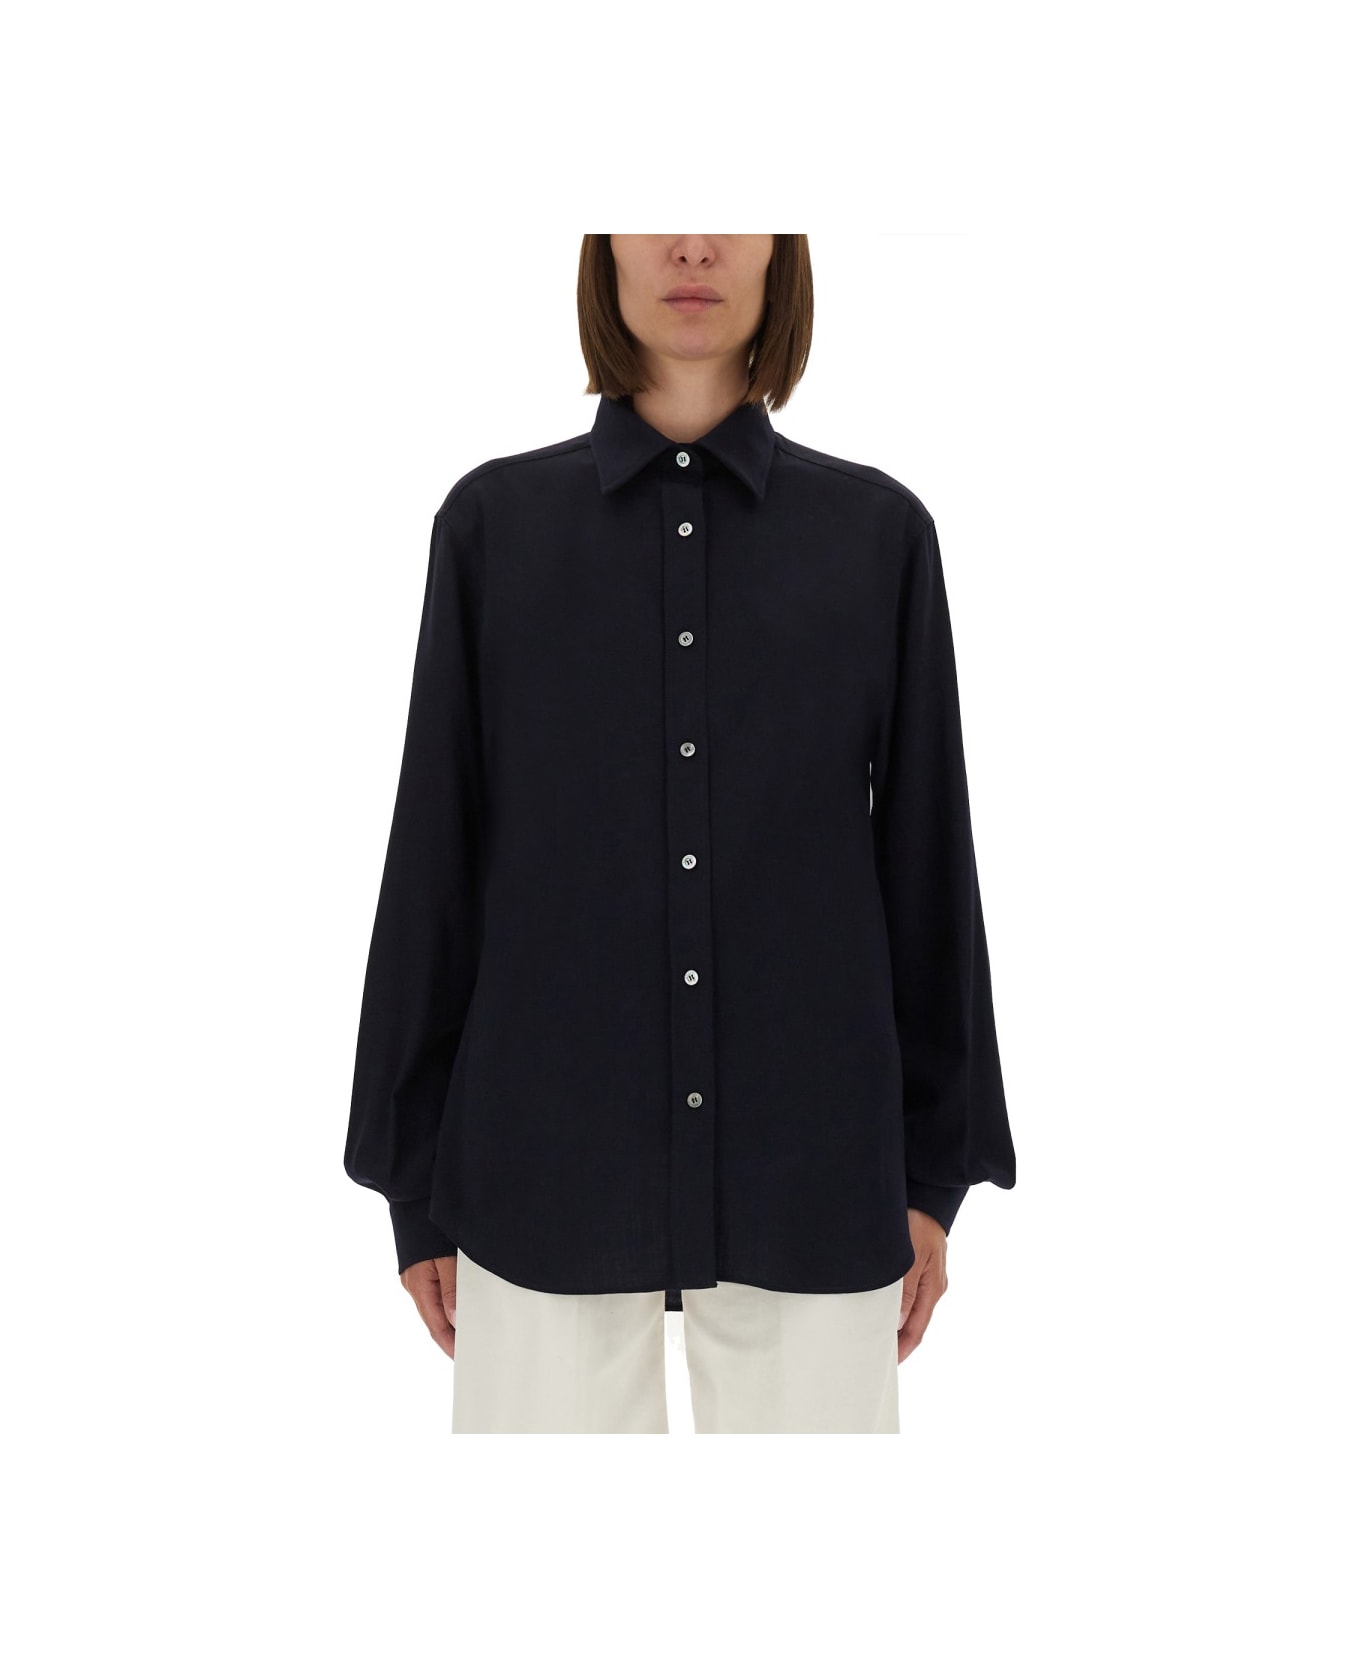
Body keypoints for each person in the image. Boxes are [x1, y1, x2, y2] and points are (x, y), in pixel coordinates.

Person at [344, 234, 1017, 1433]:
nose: (693, 244)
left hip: (815, 1167)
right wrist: (414, 1181)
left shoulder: (877, 536)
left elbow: (925, 870)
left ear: (782, 253)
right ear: (601, 249)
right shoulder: (495, 526)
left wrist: (929, 1174)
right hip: (540, 1166)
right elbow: (436, 858)